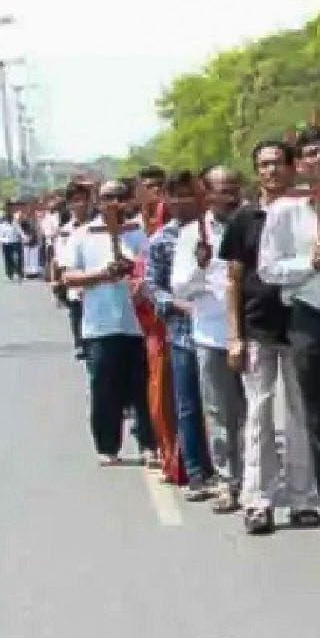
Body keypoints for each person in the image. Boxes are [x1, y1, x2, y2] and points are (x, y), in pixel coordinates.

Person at [259, 127, 320, 544]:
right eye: (309, 155)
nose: (318, 161)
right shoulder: (284, 211)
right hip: (310, 315)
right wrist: (310, 263)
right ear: (299, 165)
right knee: (319, 414)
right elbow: (268, 268)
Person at [225, 140, 318, 535]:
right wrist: (234, 336)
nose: (272, 171)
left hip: (299, 325)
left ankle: (304, 498)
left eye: (278, 163)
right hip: (257, 327)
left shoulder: (305, 215)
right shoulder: (245, 219)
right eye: (263, 165)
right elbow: (231, 280)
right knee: (260, 413)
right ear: (255, 171)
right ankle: (258, 499)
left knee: (300, 414)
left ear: (293, 168)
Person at [61, 181, 155, 464]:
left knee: (142, 389)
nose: (113, 202)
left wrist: (135, 274)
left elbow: (153, 271)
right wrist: (102, 275)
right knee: (105, 389)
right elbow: (69, 277)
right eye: (107, 198)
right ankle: (108, 446)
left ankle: (149, 444)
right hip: (100, 326)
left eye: (119, 197)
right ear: (97, 202)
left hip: (138, 324)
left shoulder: (139, 234)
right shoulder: (81, 236)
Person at [174, 166, 249, 512]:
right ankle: (226, 481)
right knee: (220, 413)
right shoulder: (193, 234)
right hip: (211, 334)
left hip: (253, 332)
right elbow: (180, 289)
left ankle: (254, 481)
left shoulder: (255, 221)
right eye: (220, 189)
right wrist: (200, 268)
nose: (229, 195)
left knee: (255, 412)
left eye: (233, 186)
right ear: (207, 194)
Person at [145, 172, 217, 497]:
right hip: (183, 334)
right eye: (174, 196)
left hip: (219, 331)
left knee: (221, 406)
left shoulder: (219, 232)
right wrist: (176, 305)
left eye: (188, 195)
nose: (181, 202)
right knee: (188, 404)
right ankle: (195, 471)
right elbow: (152, 285)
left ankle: (226, 469)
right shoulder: (162, 240)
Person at [132, 166, 182, 484]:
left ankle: (191, 459)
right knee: (162, 396)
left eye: (160, 188)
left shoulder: (180, 228)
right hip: (157, 328)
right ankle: (170, 457)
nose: (155, 195)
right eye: (148, 188)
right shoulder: (141, 235)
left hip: (188, 324)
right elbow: (140, 286)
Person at [53, 183, 95, 360]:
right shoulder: (65, 232)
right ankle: (80, 344)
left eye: (84, 200)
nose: (81, 204)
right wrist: (57, 281)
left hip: (97, 287)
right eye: (76, 201)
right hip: (76, 288)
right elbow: (59, 259)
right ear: (69, 204)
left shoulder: (99, 227)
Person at [0, 203, 24, 280]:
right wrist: (0, 240)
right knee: (8, 259)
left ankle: (19, 272)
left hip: (16, 242)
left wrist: (24, 237)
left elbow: (20, 231)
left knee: (17, 258)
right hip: (6, 243)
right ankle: (9, 274)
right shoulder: (2, 225)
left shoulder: (15, 223)